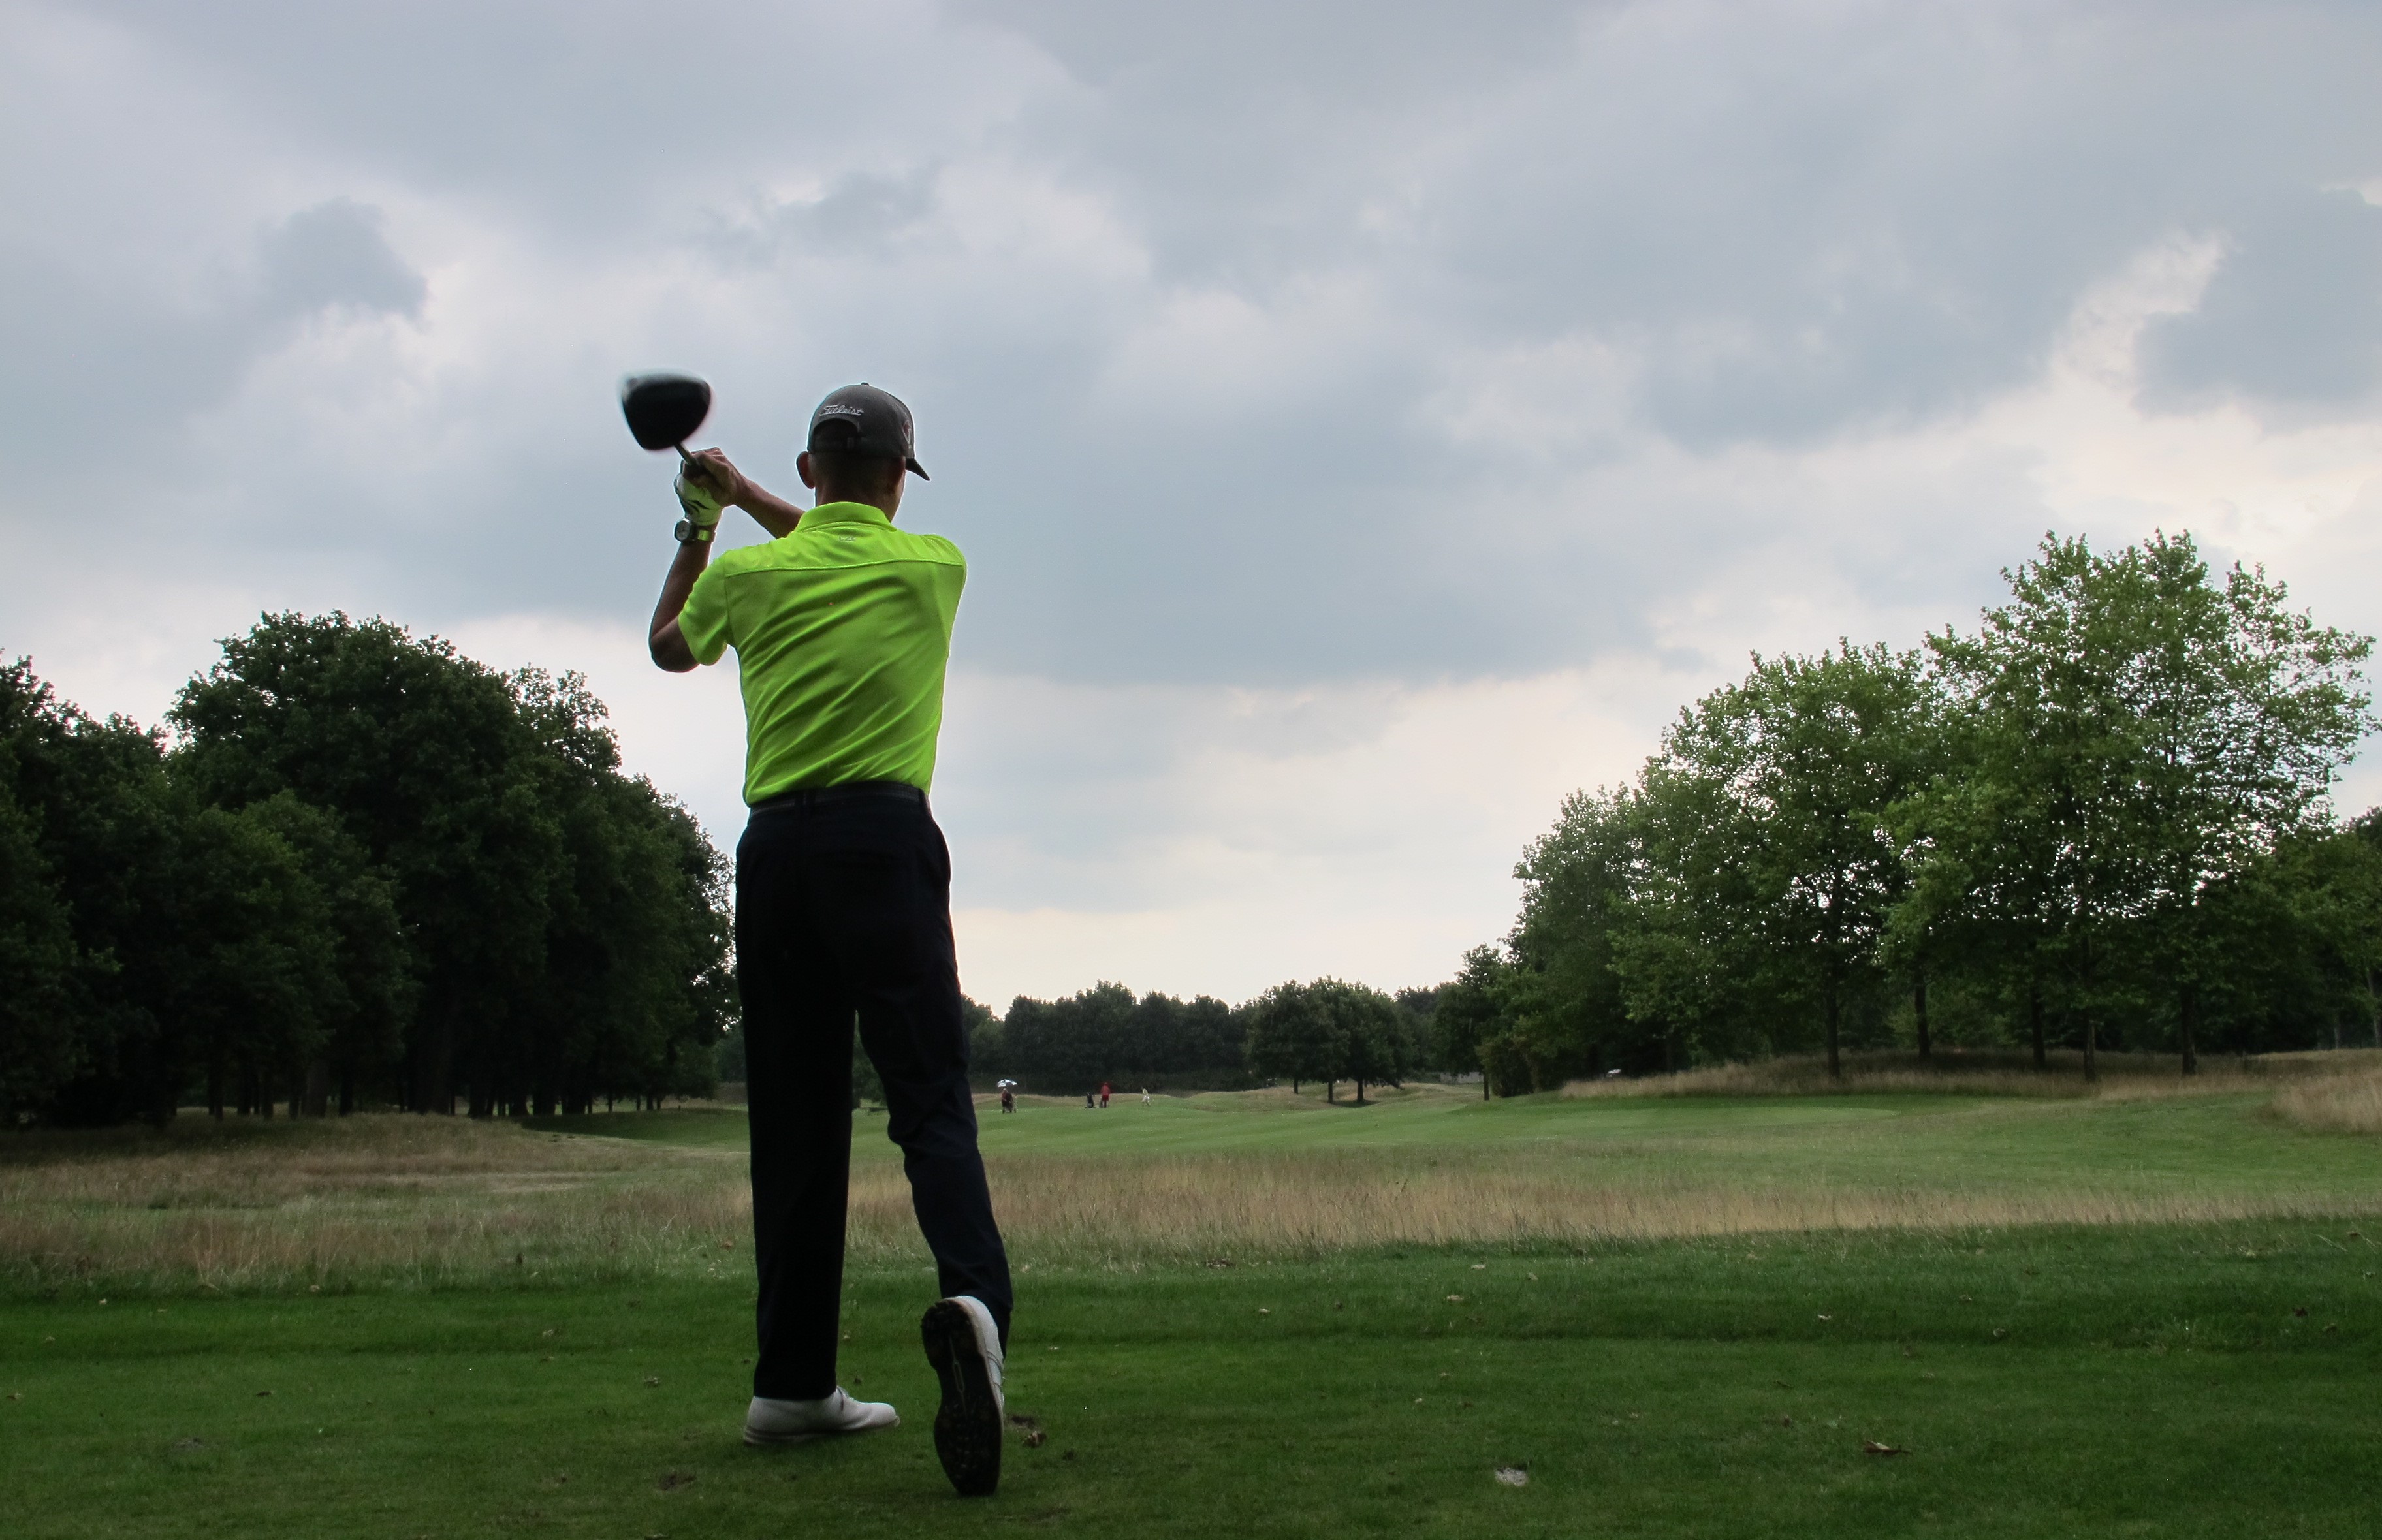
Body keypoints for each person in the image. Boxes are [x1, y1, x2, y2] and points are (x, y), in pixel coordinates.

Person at [648, 383, 1010, 1498]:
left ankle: (793, 1386)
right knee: (931, 1100)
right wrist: (753, 492)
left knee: (795, 1121)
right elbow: (841, 536)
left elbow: (669, 647)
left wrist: (706, 519)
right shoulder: (930, 565)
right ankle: (976, 1318)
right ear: (902, 481)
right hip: (883, 844)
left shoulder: (754, 572)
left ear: (811, 469)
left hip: (776, 859)